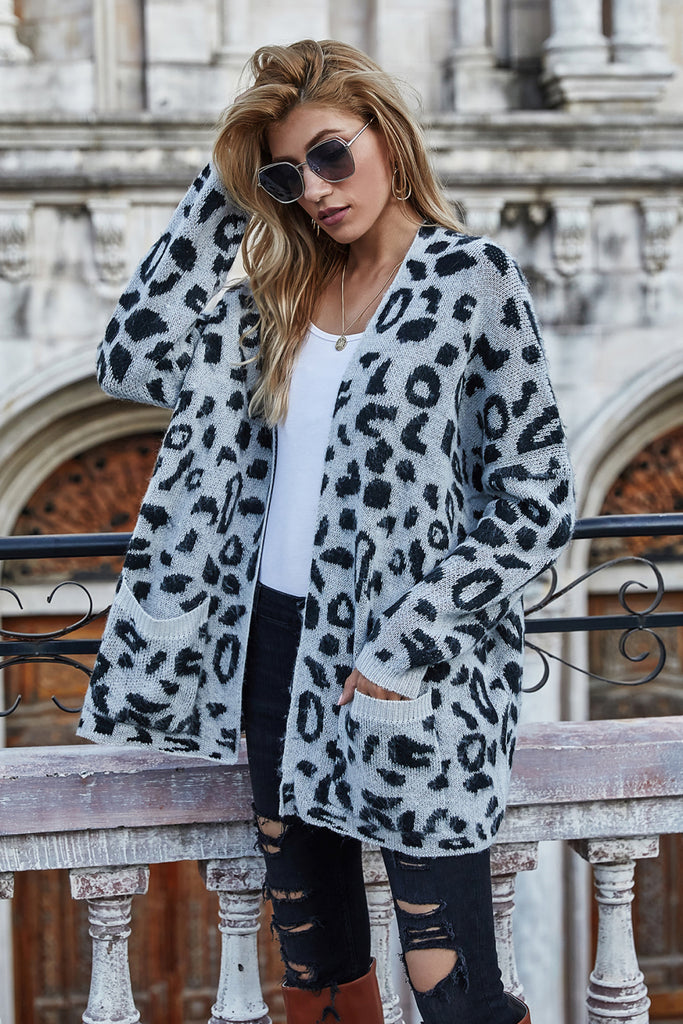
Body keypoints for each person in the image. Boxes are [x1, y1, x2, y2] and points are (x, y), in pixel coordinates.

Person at [78, 38, 574, 1024]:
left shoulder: (470, 279)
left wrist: (409, 641)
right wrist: (223, 196)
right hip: (273, 654)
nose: (312, 189)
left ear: (385, 136)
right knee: (317, 969)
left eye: (330, 155)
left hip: (413, 669)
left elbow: (535, 499)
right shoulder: (271, 300)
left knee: (451, 983)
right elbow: (131, 361)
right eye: (283, 175)